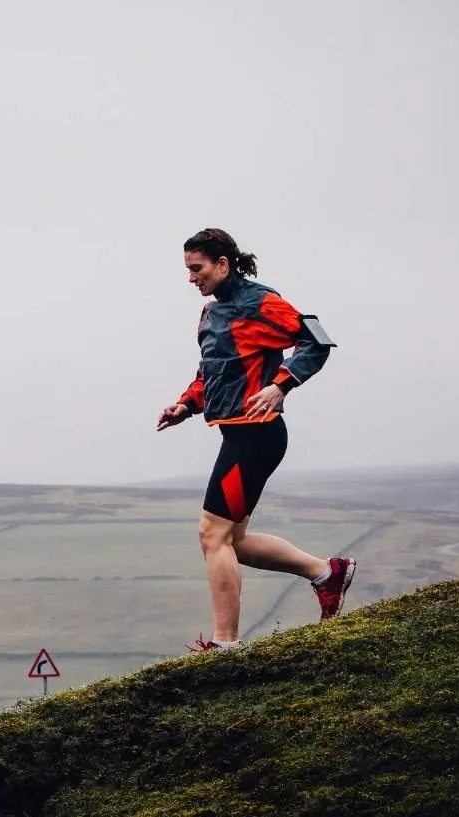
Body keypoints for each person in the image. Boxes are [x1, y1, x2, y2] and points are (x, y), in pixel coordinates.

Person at [156, 227, 355, 653]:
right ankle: (326, 573)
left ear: (222, 264)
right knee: (235, 542)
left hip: (257, 435)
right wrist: (184, 407)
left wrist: (282, 384)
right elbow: (211, 373)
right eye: (188, 270)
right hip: (235, 433)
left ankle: (225, 645)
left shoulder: (262, 302)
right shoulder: (211, 314)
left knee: (212, 535)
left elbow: (317, 341)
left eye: (198, 268)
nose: (192, 278)